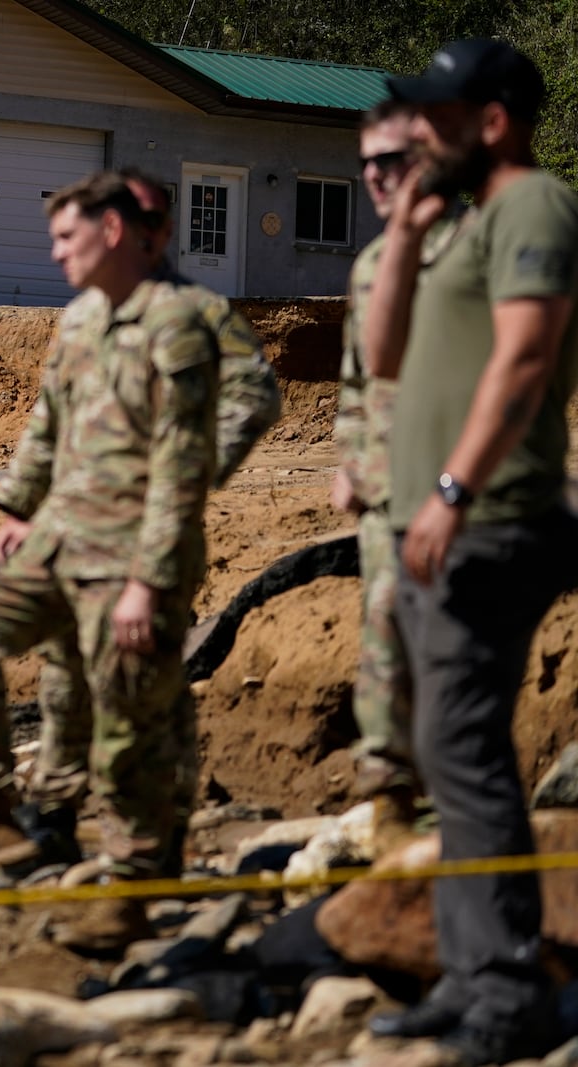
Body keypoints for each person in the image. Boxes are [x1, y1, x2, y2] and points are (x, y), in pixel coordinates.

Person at [0, 171, 220, 955]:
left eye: (66, 238)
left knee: (124, 729)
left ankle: (131, 891)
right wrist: (16, 511)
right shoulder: (82, 319)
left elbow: (184, 467)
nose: (53, 254)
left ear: (113, 232)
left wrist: (150, 580)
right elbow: (47, 422)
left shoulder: (180, 323)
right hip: (56, 541)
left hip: (131, 558)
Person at [359, 40, 578, 1063]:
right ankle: (468, 972)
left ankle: (505, 995)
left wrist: (453, 489)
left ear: (491, 120)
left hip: (487, 524)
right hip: (425, 528)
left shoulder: (532, 204)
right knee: (448, 757)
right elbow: (382, 356)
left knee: (468, 751)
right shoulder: (450, 222)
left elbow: (527, 356)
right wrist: (402, 234)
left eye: (437, 116)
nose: (417, 134)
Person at [20, 169, 280, 871]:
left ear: (159, 231)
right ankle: (52, 813)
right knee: (64, 673)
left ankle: (153, 840)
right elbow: (55, 413)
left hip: (150, 532)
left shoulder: (197, 310)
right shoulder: (93, 314)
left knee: (142, 686)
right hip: (80, 532)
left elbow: (253, 395)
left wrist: (195, 469)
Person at [330, 101, 451, 835]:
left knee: (449, 647)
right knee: (381, 633)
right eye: (367, 162)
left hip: (453, 491)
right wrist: (349, 459)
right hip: (382, 489)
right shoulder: (372, 263)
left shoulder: (474, 250)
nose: (376, 176)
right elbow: (357, 379)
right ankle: (388, 801)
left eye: (393, 161)